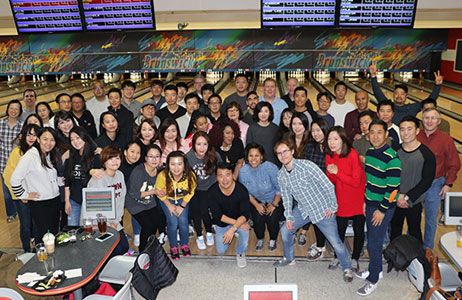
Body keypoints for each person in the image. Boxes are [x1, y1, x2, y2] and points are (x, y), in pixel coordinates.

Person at [273, 139, 354, 283]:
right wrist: (289, 217)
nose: (282, 155)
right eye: (279, 153)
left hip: (322, 210)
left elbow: (328, 185)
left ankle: (347, 267)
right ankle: (289, 258)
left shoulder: (307, 166)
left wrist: (332, 207)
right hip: (304, 209)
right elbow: (286, 198)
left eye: (285, 151)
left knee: (335, 242)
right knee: (286, 230)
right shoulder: (281, 175)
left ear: (292, 151)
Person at [355, 119, 401, 296]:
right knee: (373, 239)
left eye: (379, 132)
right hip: (371, 203)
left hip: (383, 207)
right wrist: (366, 200)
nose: (374, 135)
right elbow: (371, 181)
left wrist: (382, 210)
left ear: (386, 134)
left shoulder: (392, 158)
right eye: (371, 132)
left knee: (374, 243)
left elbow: (393, 190)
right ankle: (376, 270)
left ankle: (373, 279)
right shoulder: (371, 152)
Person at [417, 108, 460, 249]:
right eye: (426, 118)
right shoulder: (415, 136)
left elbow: (454, 163)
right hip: (415, 183)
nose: (429, 121)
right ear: (422, 120)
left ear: (439, 121)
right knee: (412, 217)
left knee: (430, 219)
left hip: (434, 184)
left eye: (433, 118)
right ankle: (412, 247)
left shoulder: (446, 139)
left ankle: (427, 249)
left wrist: (448, 184)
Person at [325, 126, 366, 273]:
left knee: (359, 230)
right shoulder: (329, 156)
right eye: (329, 139)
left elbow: (355, 181)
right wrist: (331, 173)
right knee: (339, 231)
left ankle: (355, 258)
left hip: (357, 197)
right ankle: (338, 256)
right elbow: (332, 181)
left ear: (343, 140)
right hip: (341, 197)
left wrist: (337, 171)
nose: (332, 142)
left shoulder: (352, 154)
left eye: (336, 139)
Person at [11, 127, 61, 243]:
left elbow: (47, 176)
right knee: (45, 237)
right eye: (45, 139)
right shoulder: (30, 156)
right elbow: (15, 179)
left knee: (53, 234)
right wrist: (24, 195)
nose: (49, 143)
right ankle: (42, 259)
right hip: (41, 203)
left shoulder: (47, 154)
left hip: (54, 200)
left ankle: (53, 260)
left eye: (52, 140)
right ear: (38, 139)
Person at [390, 116, 435, 244]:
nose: (405, 133)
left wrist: (407, 197)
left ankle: (418, 262)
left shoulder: (426, 154)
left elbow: (427, 181)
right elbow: (389, 176)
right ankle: (394, 261)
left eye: (409, 129)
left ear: (417, 131)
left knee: (415, 232)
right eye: (402, 129)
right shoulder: (394, 151)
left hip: (414, 201)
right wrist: (398, 196)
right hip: (396, 199)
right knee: (395, 230)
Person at [239, 144, 282, 251]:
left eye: (256, 156)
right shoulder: (243, 171)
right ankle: (260, 238)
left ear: (262, 156)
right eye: (251, 156)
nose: (253, 159)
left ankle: (273, 239)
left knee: (272, 219)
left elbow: (280, 188)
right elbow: (245, 193)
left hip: (274, 198)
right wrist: (257, 205)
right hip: (256, 200)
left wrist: (273, 204)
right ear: (247, 157)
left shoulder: (271, 168)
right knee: (258, 219)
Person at [3, 124, 40, 252]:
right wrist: (22, 195)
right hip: (22, 198)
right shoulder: (17, 152)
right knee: (25, 226)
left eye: (34, 135)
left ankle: (37, 250)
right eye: (28, 134)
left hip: (37, 196)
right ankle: (26, 252)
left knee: (37, 224)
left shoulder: (40, 151)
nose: (31, 138)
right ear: (23, 136)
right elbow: (8, 176)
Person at [87, 146, 129, 256]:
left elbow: (121, 198)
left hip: (114, 221)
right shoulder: (99, 178)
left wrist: (116, 220)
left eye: (117, 158)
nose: (115, 161)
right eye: (111, 159)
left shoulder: (120, 175)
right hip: (99, 222)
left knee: (124, 247)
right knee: (113, 251)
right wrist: (109, 223)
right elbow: (96, 207)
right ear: (104, 161)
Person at [369, 62, 443, 124]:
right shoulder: (388, 106)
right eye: (396, 93)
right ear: (393, 94)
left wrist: (437, 85)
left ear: (406, 96)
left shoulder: (413, 108)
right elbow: (377, 92)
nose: (399, 96)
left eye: (402, 94)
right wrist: (373, 76)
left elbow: (430, 101)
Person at [155, 151, 196, 260]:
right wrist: (169, 206)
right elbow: (159, 193)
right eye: (172, 164)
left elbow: (191, 192)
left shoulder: (190, 175)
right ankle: (173, 246)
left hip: (182, 200)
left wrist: (182, 206)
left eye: (179, 164)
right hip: (167, 199)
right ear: (168, 165)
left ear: (184, 165)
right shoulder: (162, 176)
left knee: (183, 222)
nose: (176, 168)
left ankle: (184, 244)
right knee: (172, 222)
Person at [208, 163, 251, 268]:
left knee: (244, 241)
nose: (224, 179)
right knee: (221, 250)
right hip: (222, 222)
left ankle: (240, 252)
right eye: (220, 175)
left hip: (240, 220)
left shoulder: (241, 190)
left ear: (233, 175)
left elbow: (245, 214)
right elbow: (218, 216)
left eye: (227, 174)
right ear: (216, 177)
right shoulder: (212, 191)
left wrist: (234, 228)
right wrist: (236, 226)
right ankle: (226, 230)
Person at [300, 119, 329, 259]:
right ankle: (321, 244)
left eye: (319, 130)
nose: (316, 133)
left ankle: (321, 247)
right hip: (312, 189)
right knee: (317, 219)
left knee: (322, 219)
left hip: (327, 189)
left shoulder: (331, 145)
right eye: (313, 131)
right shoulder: (310, 145)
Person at [126, 144, 165, 252]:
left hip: (149, 201)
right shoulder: (138, 171)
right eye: (151, 156)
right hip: (134, 202)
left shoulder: (159, 172)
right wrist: (155, 191)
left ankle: (150, 244)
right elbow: (134, 194)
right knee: (147, 225)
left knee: (156, 222)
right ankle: (142, 250)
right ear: (146, 158)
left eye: (157, 156)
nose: (154, 159)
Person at [186, 132, 221, 250]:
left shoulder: (214, 155)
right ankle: (200, 236)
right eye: (198, 144)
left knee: (204, 210)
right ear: (193, 145)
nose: (202, 148)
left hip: (210, 188)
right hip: (195, 189)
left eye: (205, 144)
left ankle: (209, 232)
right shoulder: (188, 157)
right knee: (196, 210)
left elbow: (221, 171)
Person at [64, 127, 100, 226]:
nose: (75, 142)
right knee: (73, 230)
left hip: (91, 202)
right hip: (74, 200)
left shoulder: (95, 156)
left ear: (84, 137)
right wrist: (67, 201)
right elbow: (67, 182)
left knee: (89, 231)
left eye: (78, 138)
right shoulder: (71, 157)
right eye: (72, 139)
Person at [0, 99, 23, 222]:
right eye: (11, 108)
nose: (14, 111)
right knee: (7, 192)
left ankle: (21, 211)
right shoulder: (0, 124)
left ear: (19, 112)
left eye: (16, 109)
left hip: (18, 165)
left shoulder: (22, 125)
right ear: (7, 109)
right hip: (3, 164)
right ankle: (11, 213)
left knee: (19, 189)